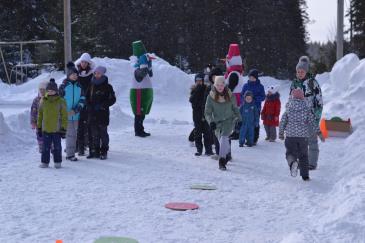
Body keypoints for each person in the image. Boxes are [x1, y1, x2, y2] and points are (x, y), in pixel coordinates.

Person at [279, 89, 325, 181]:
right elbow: (313, 122)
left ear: (292, 97)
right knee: (304, 156)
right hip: (303, 137)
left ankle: (292, 163)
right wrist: (319, 133)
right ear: (302, 97)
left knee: (290, 153)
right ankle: (305, 176)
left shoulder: (289, 109)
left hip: (291, 136)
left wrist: (281, 133)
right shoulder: (306, 109)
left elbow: (283, 121)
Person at [290, 56, 323, 170]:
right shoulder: (294, 83)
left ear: (306, 71)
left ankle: (312, 163)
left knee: (312, 140)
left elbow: (319, 100)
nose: (299, 73)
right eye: (298, 71)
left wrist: (317, 115)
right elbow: (290, 99)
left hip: (311, 117)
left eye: (302, 71)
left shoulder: (312, 83)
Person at [205, 76, 241, 171]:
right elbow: (207, 113)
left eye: (222, 85)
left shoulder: (230, 95)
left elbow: (235, 109)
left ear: (224, 85)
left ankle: (222, 161)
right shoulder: (210, 97)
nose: (220, 87)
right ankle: (227, 154)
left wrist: (240, 120)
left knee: (224, 138)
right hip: (217, 123)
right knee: (222, 140)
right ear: (215, 85)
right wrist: (211, 122)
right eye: (218, 85)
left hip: (229, 121)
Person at [86, 66, 116, 160]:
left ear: (103, 74)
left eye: (98, 73)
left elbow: (113, 99)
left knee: (103, 133)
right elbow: (86, 98)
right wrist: (89, 106)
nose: (96, 74)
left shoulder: (108, 86)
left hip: (103, 114)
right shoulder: (91, 85)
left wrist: (103, 105)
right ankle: (96, 151)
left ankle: (104, 151)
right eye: (95, 73)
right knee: (95, 133)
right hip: (92, 113)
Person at [37, 79, 67, 168]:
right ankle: (44, 162)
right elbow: (40, 115)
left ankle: (57, 162)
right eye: (48, 91)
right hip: (46, 129)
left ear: (56, 91)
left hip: (57, 129)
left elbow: (64, 116)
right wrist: (39, 127)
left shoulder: (61, 101)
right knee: (45, 147)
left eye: (52, 90)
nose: (50, 92)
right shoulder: (43, 101)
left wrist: (64, 128)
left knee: (57, 147)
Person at [59, 62, 85, 161]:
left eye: (76, 74)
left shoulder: (79, 86)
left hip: (76, 115)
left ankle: (71, 152)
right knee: (70, 135)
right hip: (66, 115)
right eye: (73, 74)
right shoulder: (64, 86)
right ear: (69, 75)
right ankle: (70, 154)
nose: (75, 76)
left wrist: (76, 110)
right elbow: (59, 100)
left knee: (74, 135)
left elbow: (83, 99)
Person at [130, 40, 154, 137]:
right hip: (139, 91)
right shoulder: (135, 67)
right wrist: (144, 64)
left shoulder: (139, 64)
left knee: (142, 113)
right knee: (138, 113)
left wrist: (149, 65)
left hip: (144, 91)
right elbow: (140, 76)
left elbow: (150, 74)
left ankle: (141, 129)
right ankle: (138, 131)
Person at [75, 53, 95, 156]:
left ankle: (89, 146)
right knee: (79, 126)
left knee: (88, 125)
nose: (84, 64)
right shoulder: (76, 73)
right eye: (82, 62)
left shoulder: (91, 74)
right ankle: (79, 147)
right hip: (78, 102)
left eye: (86, 62)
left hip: (88, 102)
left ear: (88, 63)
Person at [189, 73, 213, 156]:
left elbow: (208, 101)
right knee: (198, 133)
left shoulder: (207, 90)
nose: (199, 82)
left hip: (206, 114)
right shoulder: (194, 90)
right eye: (197, 81)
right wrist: (197, 91)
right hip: (197, 115)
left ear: (203, 81)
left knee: (207, 133)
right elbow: (192, 102)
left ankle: (208, 150)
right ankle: (199, 150)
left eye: (200, 80)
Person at [240, 69, 265, 145]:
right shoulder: (246, 85)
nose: (251, 79)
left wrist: (254, 99)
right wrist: (245, 100)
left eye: (253, 77)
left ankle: (254, 138)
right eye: (250, 77)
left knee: (255, 123)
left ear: (256, 78)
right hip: (246, 107)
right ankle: (246, 138)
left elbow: (263, 97)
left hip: (255, 107)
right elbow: (242, 95)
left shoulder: (260, 86)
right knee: (246, 123)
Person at [205, 67, 224, 158]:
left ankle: (227, 154)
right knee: (215, 135)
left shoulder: (224, 88)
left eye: (217, 76)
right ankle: (218, 153)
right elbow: (205, 102)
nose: (215, 78)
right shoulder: (209, 88)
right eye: (213, 77)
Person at [31, 80, 49, 153]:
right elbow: (33, 112)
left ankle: (53, 149)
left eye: (44, 89)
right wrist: (33, 122)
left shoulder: (50, 99)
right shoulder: (36, 100)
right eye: (40, 89)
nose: (42, 91)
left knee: (50, 136)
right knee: (40, 136)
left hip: (49, 123)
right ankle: (41, 148)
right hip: (39, 123)